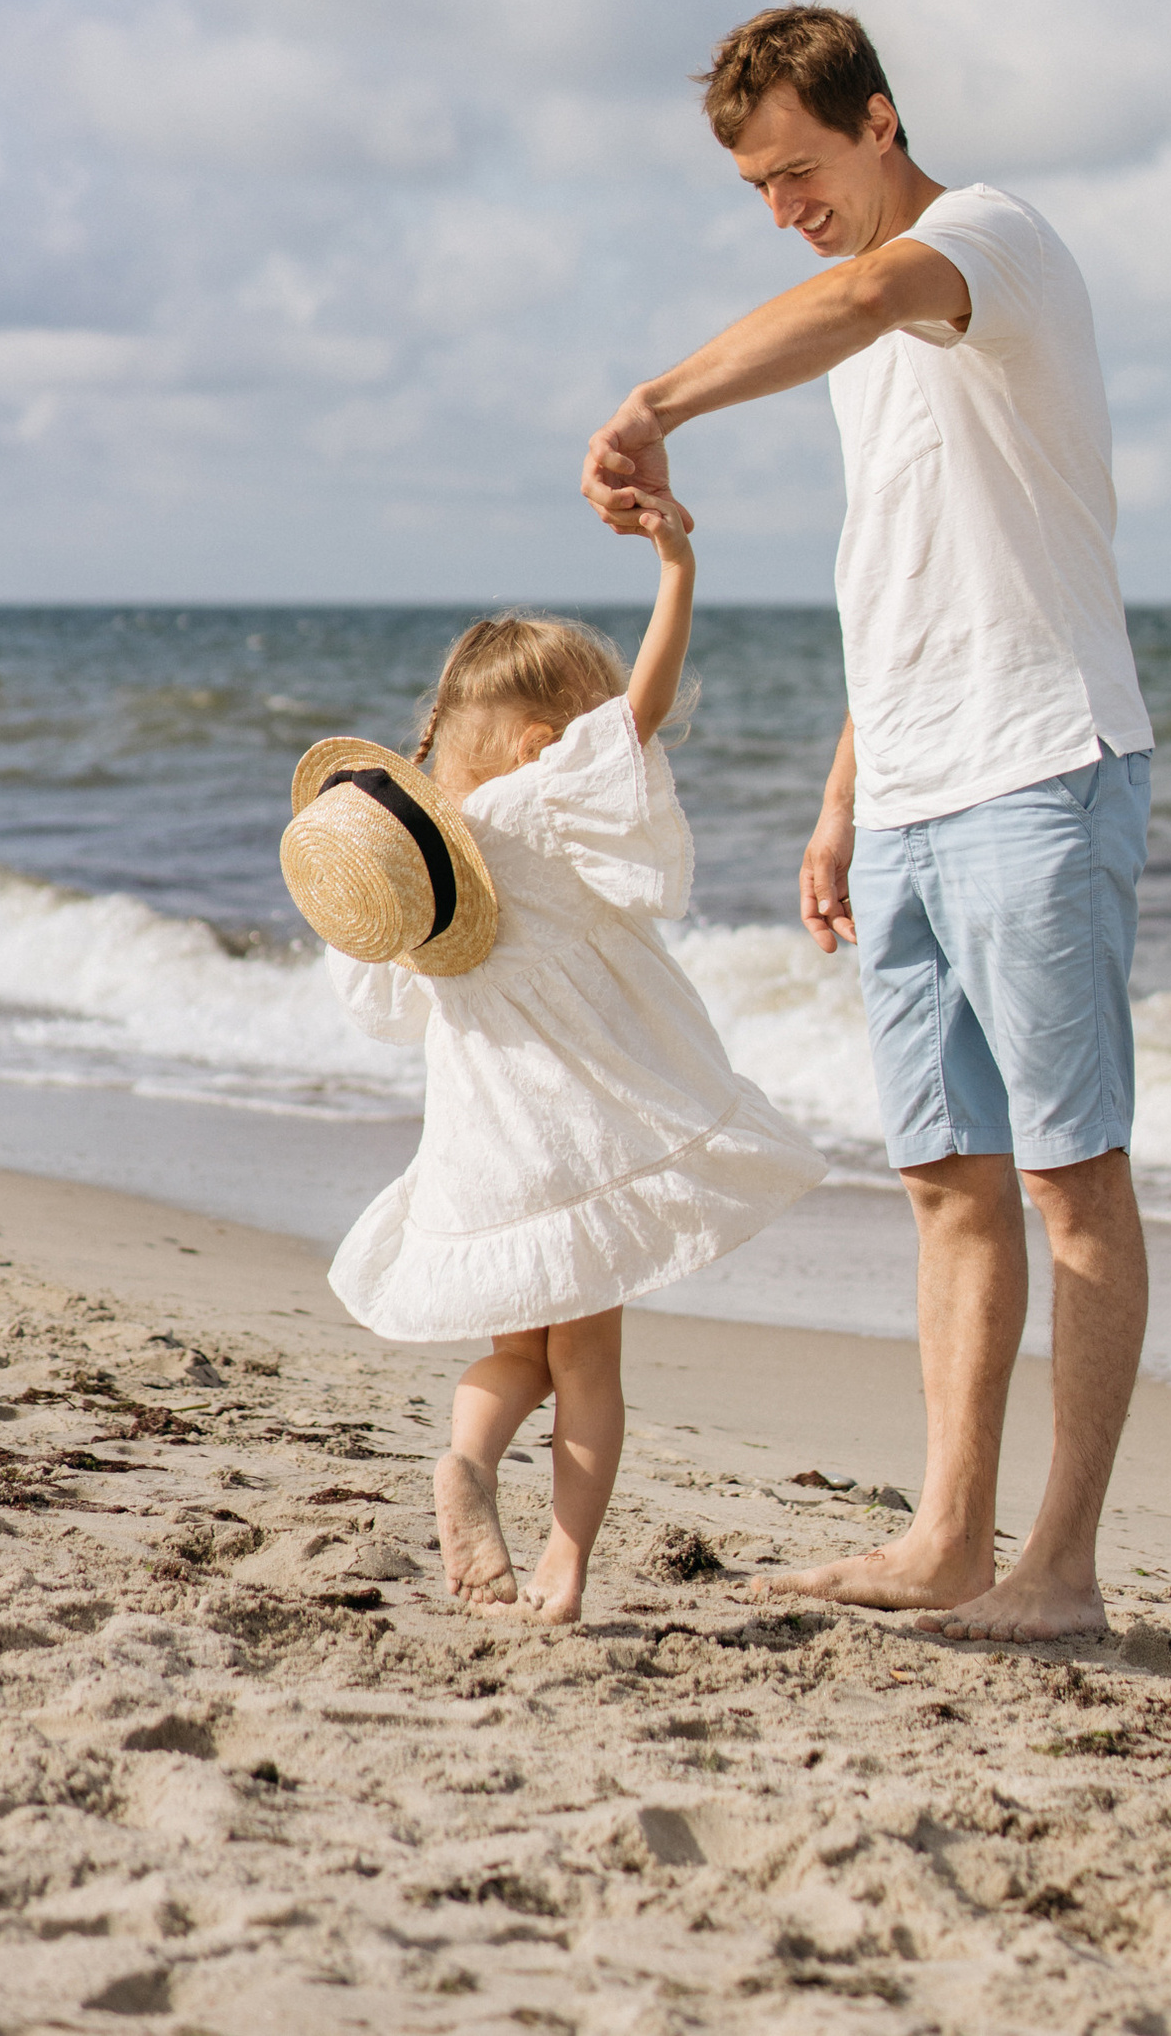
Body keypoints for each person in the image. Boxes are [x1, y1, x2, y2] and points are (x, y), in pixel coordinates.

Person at [580, 2, 1154, 1644]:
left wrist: (655, 400)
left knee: (1067, 1174)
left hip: (1042, 771)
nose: (784, 207)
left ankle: (1063, 1564)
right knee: (947, 1178)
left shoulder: (987, 243)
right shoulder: (854, 354)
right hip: (908, 795)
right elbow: (909, 580)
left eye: (800, 169)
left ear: (883, 116)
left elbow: (855, 292)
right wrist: (843, 801)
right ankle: (949, 1536)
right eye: (756, 187)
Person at [285, 506, 824, 1623]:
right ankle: (565, 1566)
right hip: (576, 1146)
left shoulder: (427, 873)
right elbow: (647, 706)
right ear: (543, 742)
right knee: (589, 1370)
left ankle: (468, 1463)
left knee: (516, 1357)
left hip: (482, 1157)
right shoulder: (540, 806)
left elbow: (381, 992)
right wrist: (677, 567)